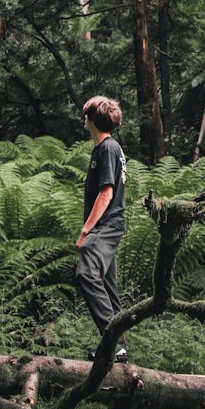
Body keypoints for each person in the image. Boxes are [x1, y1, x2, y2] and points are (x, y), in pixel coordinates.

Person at [75, 94, 128, 362]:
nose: (83, 118)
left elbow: (106, 193)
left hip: (106, 224)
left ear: (93, 120)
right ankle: (120, 348)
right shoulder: (107, 148)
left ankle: (112, 343)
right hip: (111, 224)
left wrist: (86, 231)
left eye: (86, 114)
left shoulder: (107, 148)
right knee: (107, 284)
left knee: (86, 273)